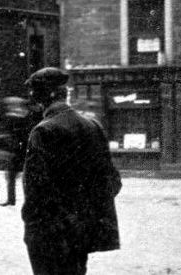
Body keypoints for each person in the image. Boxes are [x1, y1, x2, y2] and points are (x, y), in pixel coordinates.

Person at [22, 67, 121, 275]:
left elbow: (36, 188)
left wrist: (35, 224)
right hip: (82, 230)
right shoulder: (93, 125)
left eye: (34, 93)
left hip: (50, 232)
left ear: (42, 97)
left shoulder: (43, 130)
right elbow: (112, 181)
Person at [0, 97, 39, 207]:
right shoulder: (28, 118)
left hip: (20, 152)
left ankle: (13, 200)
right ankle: (26, 200)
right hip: (25, 151)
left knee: (13, 176)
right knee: (25, 177)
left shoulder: (21, 119)